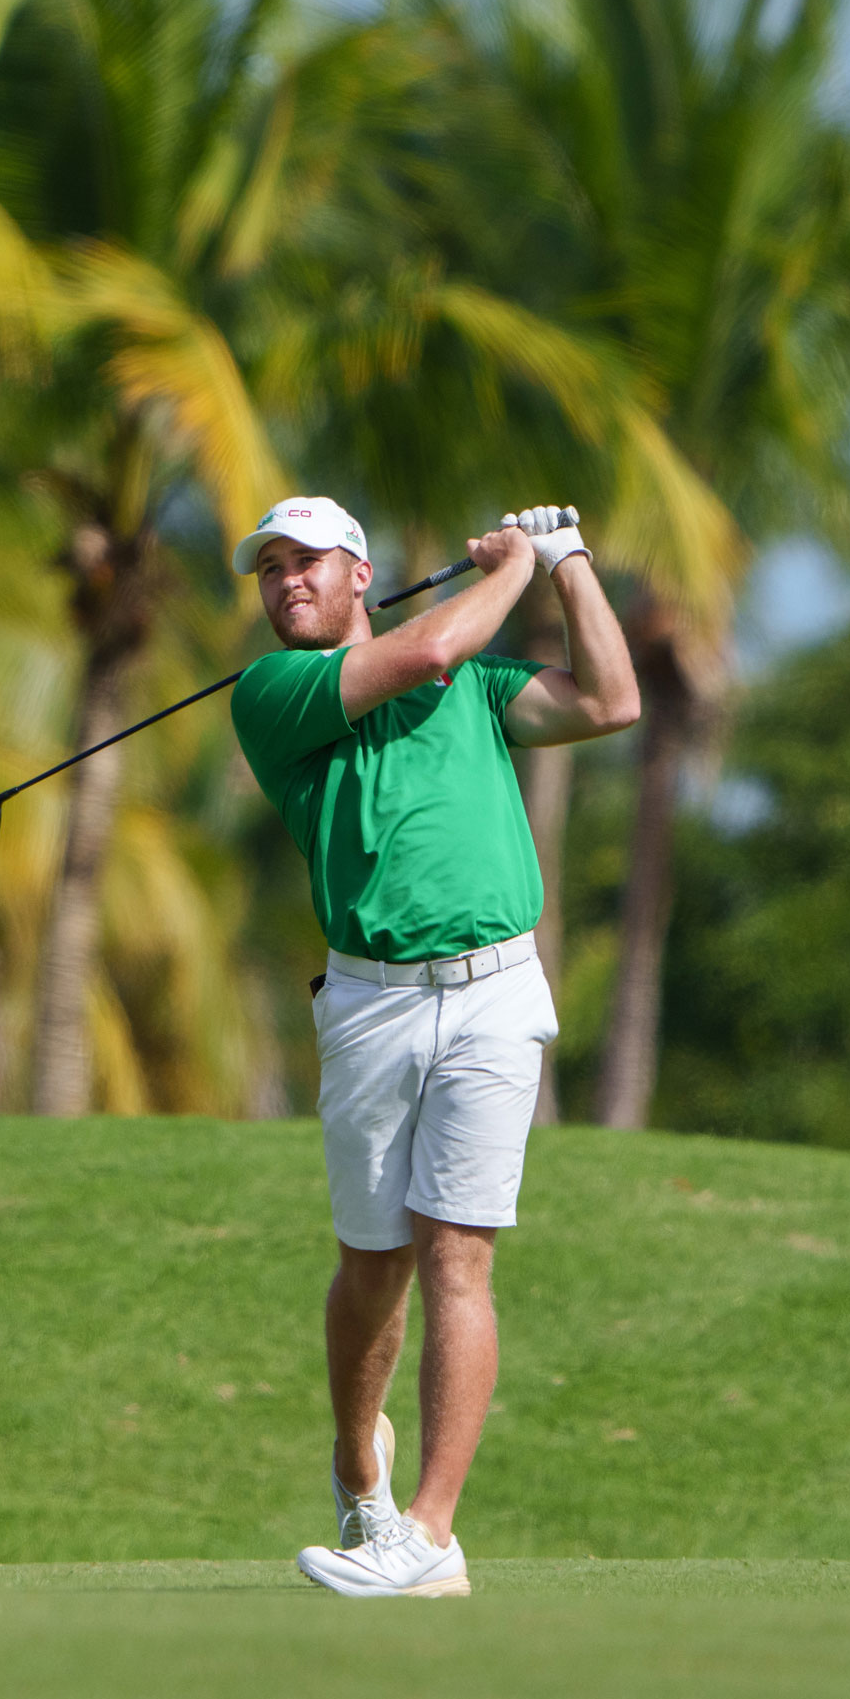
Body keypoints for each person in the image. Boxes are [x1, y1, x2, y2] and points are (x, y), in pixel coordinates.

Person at [228, 494, 640, 1598]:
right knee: (375, 1262)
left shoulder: (478, 688)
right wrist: (512, 562)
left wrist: (570, 562)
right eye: (269, 570)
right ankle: (360, 1463)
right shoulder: (275, 693)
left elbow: (613, 696)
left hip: (497, 991)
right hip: (369, 1003)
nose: (286, 583)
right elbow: (435, 644)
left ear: (359, 572)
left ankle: (430, 1532)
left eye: (306, 562)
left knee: (460, 1252)